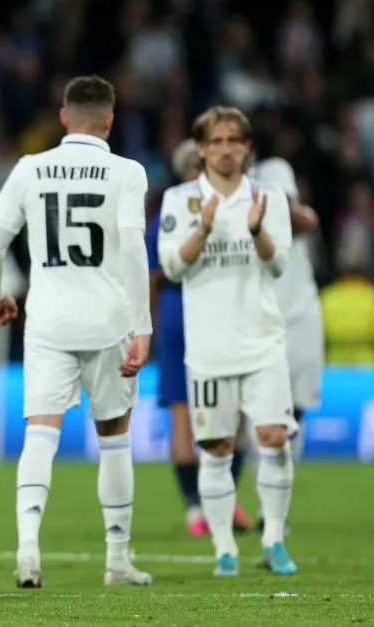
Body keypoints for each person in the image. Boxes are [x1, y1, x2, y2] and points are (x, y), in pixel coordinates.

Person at [0, 75, 154, 589]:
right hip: (109, 322)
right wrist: (143, 326)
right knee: (114, 439)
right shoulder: (127, 172)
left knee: (41, 434)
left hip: (49, 322)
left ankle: (28, 550)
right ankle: (117, 560)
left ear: (63, 117)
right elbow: (132, 250)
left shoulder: (30, 168)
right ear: (109, 121)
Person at [157, 106, 298, 577]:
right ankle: (224, 549)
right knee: (217, 447)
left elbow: (278, 265)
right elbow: (172, 266)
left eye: (234, 140)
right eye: (216, 141)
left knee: (274, 438)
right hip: (209, 347)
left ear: (247, 147)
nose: (226, 150)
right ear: (201, 149)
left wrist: (256, 230)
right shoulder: (180, 200)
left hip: (262, 340)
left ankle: (274, 539)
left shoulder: (268, 197)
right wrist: (203, 229)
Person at [147, 139, 253, 537]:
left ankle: (197, 509)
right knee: (233, 411)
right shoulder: (227, 206)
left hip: (177, 310)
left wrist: (148, 327)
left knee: (182, 414)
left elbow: (152, 276)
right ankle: (221, 502)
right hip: (214, 308)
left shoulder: (165, 212)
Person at [247, 157, 323, 531]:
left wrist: (268, 207)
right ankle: (266, 503)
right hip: (260, 320)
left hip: (302, 318)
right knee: (261, 416)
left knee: (296, 412)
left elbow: (306, 220)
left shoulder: (275, 177)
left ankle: (279, 502)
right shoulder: (233, 201)